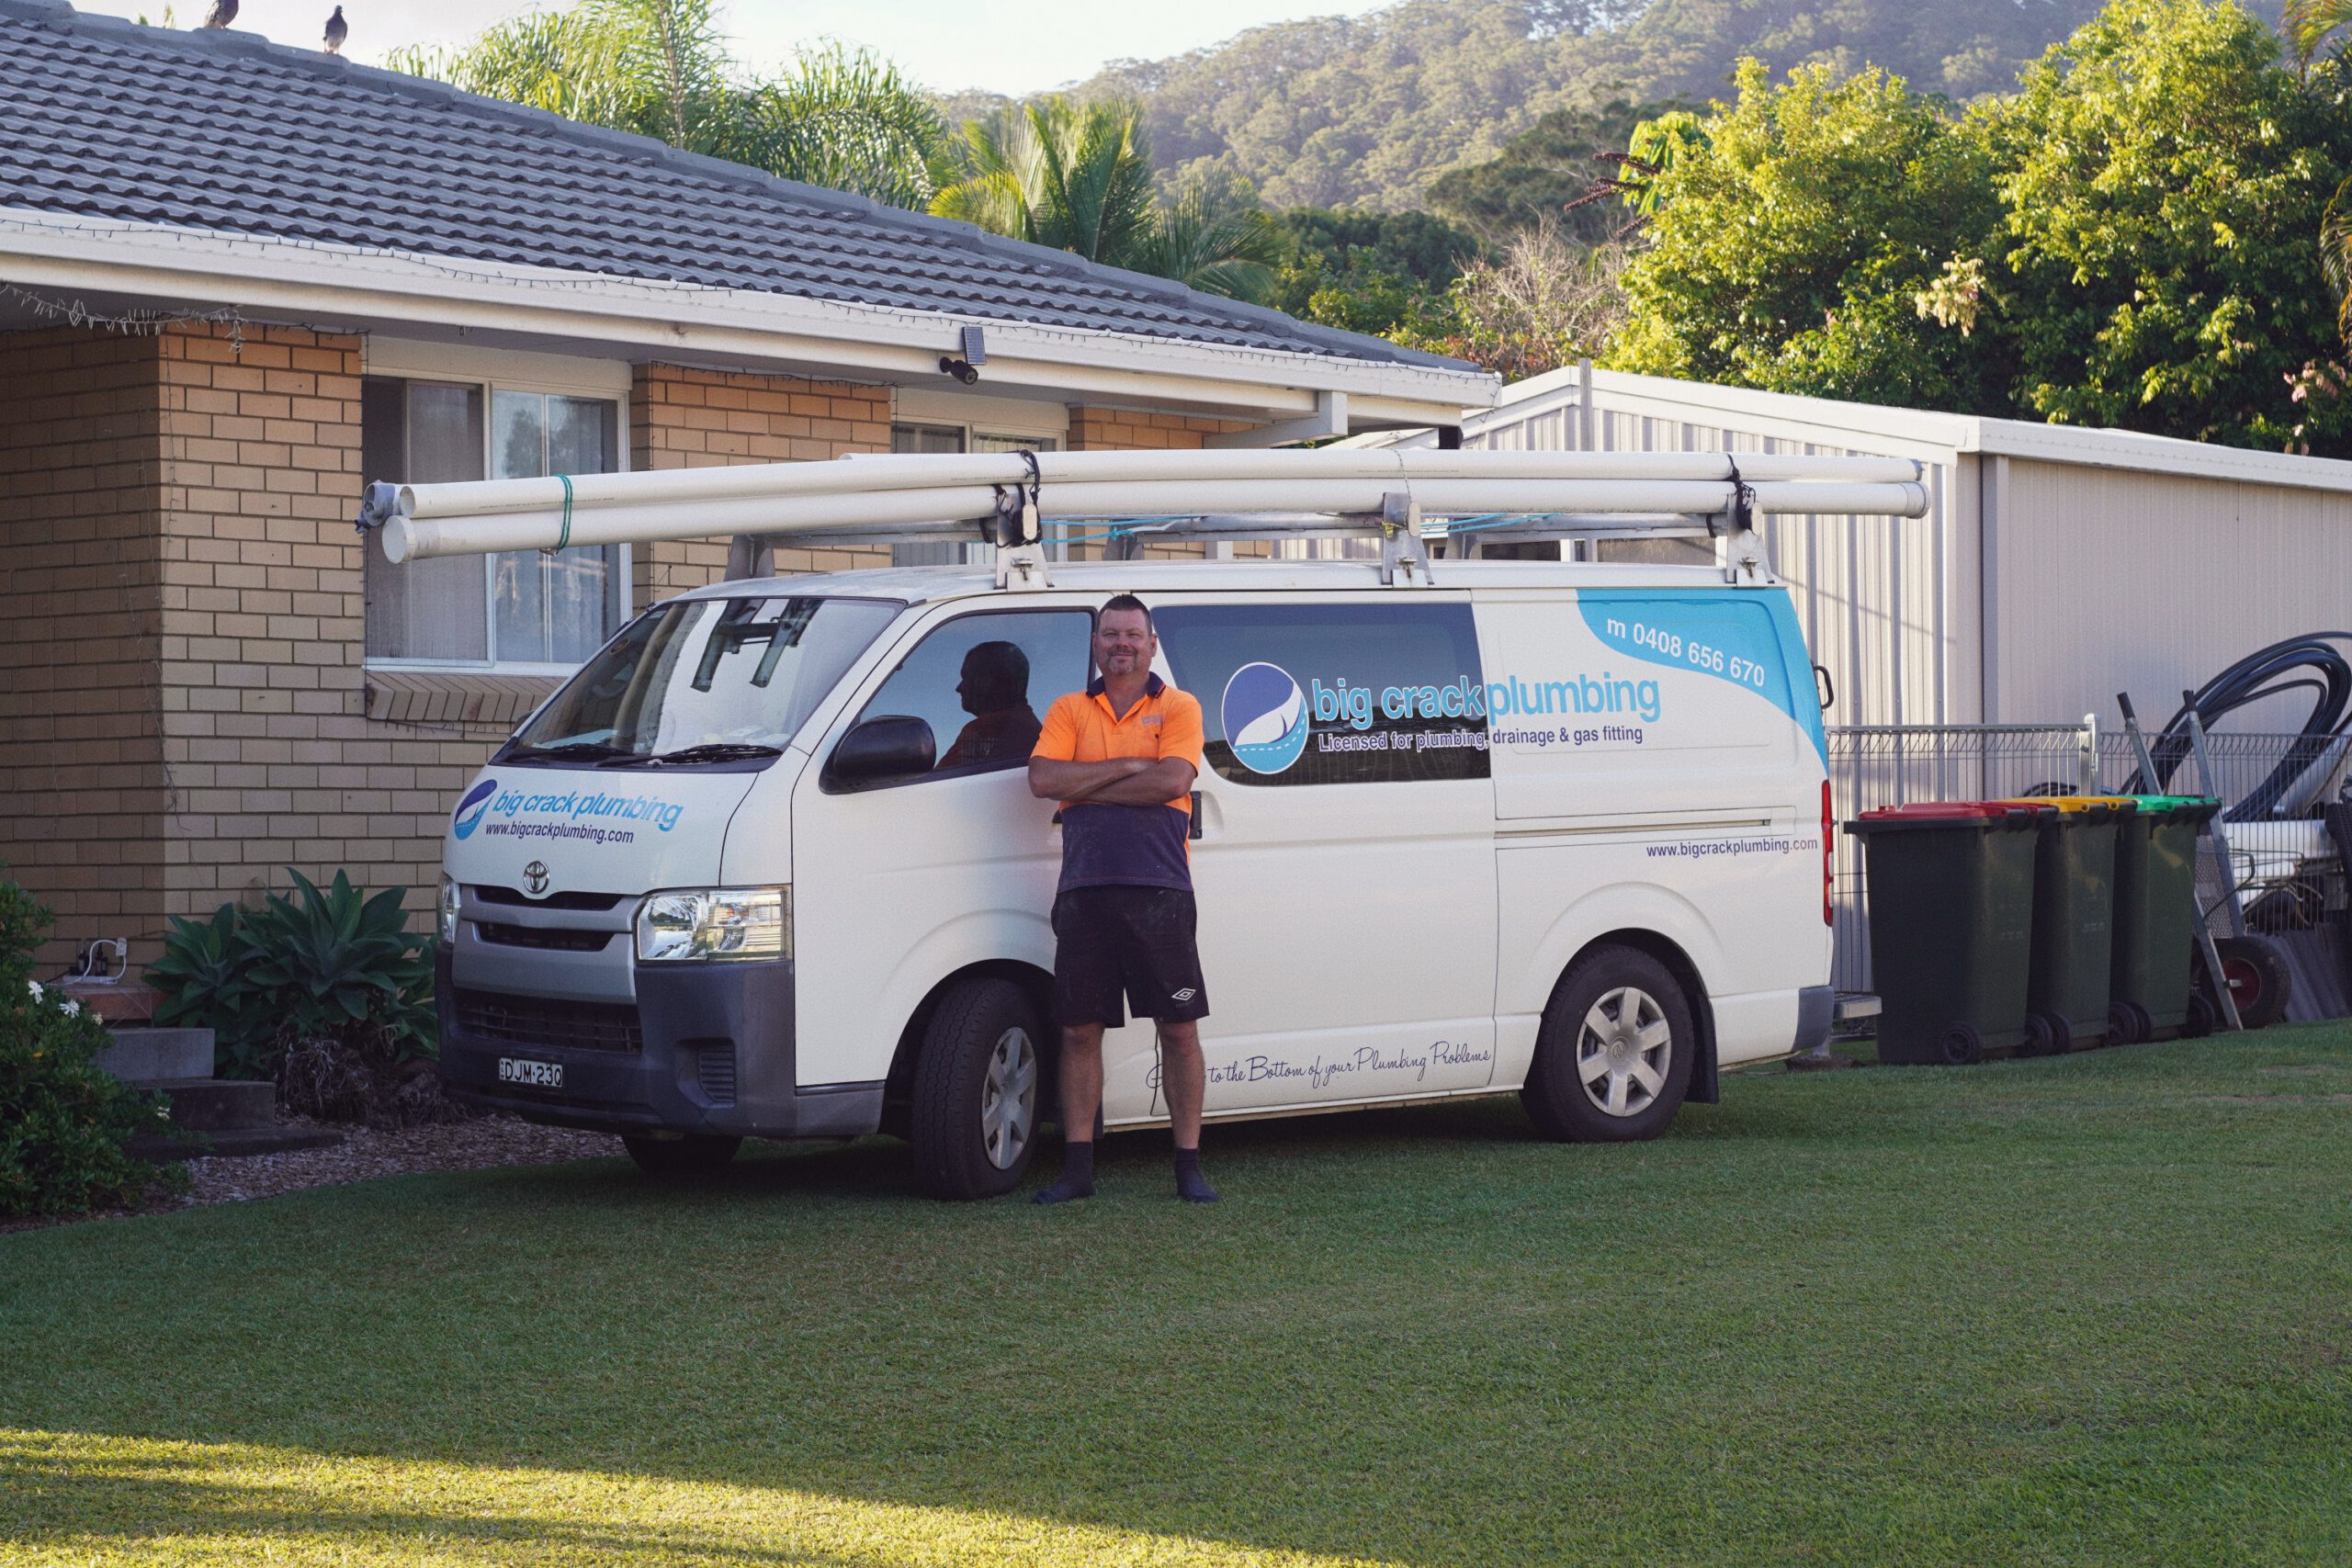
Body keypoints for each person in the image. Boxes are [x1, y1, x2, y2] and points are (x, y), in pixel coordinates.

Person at [1026, 594, 1216, 1203]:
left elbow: (1173, 780)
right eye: (1110, 634)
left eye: (1132, 634)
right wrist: (1130, 764)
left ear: (1152, 643)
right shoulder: (1068, 708)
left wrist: (1090, 781)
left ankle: (1188, 1165)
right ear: (1096, 642)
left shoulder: (1180, 706)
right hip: (1084, 891)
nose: (1120, 644)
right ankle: (1077, 1169)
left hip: (1161, 890)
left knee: (1179, 1028)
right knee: (1080, 1029)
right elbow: (1042, 779)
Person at [939, 640, 1041, 769]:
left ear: (987, 681)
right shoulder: (1033, 731)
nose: (959, 688)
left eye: (966, 677)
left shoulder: (981, 732)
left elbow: (931, 785)